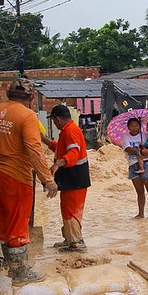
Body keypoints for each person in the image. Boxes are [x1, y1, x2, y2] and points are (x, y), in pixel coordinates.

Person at [0, 78, 58, 284]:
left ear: (8, 94)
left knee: (3, 224)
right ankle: (21, 274)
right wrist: (47, 179)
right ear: (31, 97)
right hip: (15, 176)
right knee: (17, 224)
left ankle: (12, 268)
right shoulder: (28, 115)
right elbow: (34, 148)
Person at [41, 104, 91, 252]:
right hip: (72, 179)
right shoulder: (67, 130)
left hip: (75, 178)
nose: (54, 124)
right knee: (67, 209)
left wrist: (57, 165)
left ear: (57, 119)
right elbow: (59, 148)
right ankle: (69, 239)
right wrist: (43, 139)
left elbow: (73, 153)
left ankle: (77, 243)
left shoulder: (70, 131)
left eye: (54, 121)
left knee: (71, 210)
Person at [121, 117, 148, 219]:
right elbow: (127, 149)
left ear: (139, 126)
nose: (134, 128)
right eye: (132, 126)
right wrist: (140, 152)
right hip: (133, 164)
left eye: (136, 126)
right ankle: (141, 214)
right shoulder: (126, 137)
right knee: (139, 191)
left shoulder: (147, 135)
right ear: (128, 127)